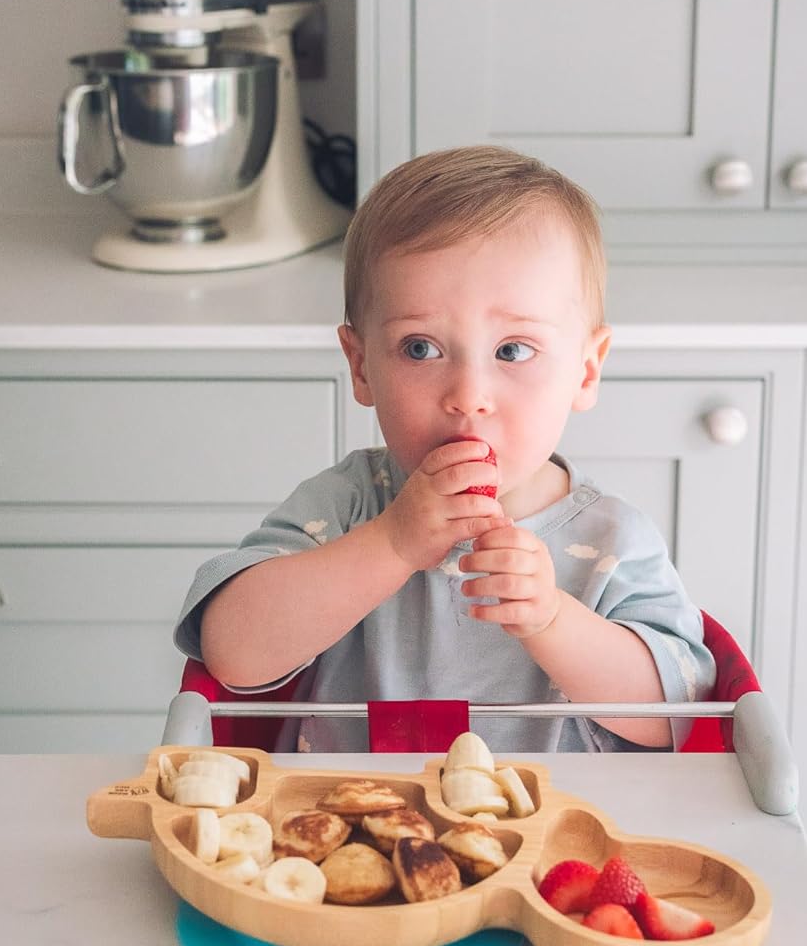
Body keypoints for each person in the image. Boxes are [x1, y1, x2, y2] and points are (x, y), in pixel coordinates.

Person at [174, 145, 714, 753]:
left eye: (513, 350)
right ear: (361, 366)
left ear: (586, 371)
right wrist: (391, 542)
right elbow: (234, 656)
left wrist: (552, 619)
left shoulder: (614, 541)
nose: (467, 396)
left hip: (554, 836)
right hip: (349, 833)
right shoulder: (348, 506)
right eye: (420, 349)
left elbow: (678, 715)